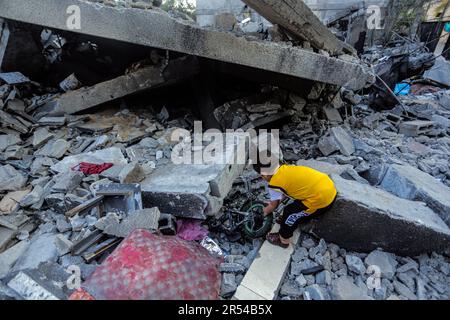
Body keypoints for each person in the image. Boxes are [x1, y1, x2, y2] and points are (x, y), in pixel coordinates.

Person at [253, 151, 337, 249]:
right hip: (328, 186)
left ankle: (283, 240)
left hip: (321, 200)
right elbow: (285, 192)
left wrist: (263, 212)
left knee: (289, 214)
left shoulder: (274, 184)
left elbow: (273, 206)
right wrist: (275, 201)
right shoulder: (287, 168)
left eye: (261, 175)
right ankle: (299, 219)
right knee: (296, 206)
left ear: (264, 175)